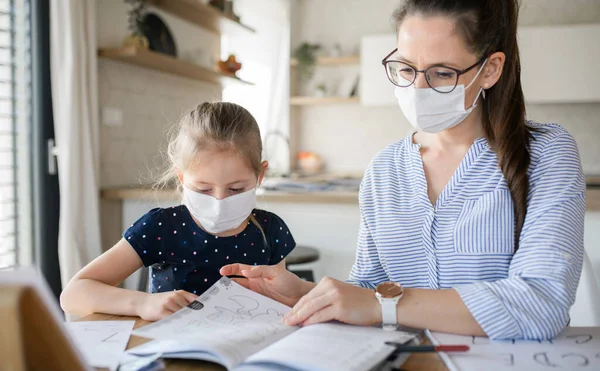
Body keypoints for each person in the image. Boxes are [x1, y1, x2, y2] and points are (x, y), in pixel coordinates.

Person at [221, 0, 586, 340]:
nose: (418, 87)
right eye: (406, 68)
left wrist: (383, 305)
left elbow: (542, 303)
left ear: (489, 69)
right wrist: (304, 292)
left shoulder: (546, 153)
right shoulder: (384, 170)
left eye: (442, 73)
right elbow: (370, 292)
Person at [61, 102, 296, 321]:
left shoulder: (270, 229)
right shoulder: (160, 227)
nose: (219, 201)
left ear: (260, 176)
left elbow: (278, 299)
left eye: (236, 189)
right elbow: (73, 295)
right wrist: (142, 303)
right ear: (182, 178)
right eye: (203, 189)